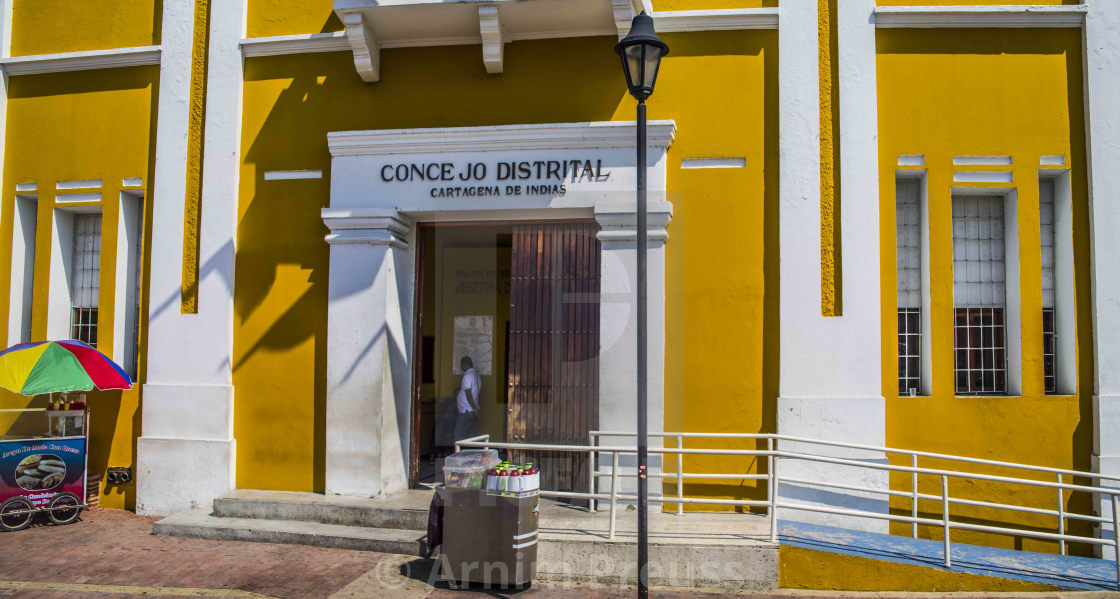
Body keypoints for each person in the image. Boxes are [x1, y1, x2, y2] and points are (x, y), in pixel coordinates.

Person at [454, 356, 481, 442]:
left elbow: (468, 392)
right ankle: (470, 454)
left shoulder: (468, 376)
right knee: (471, 437)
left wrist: (473, 407)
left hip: (467, 410)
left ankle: (460, 455)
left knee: (459, 435)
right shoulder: (477, 376)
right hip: (472, 410)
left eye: (461, 365)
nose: (461, 367)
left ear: (465, 364)